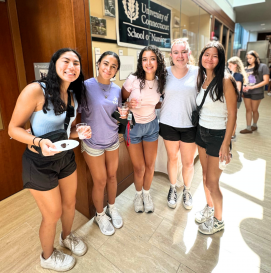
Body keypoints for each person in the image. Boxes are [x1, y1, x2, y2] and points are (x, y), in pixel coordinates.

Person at [8, 48, 91, 271]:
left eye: (76, 63)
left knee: (70, 203)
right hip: (38, 162)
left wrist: (79, 134)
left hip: (65, 158)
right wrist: (38, 141)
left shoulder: (72, 94)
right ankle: (47, 256)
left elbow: (65, 133)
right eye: (66, 61)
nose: (71, 66)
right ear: (54, 64)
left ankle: (66, 236)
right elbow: (13, 129)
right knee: (52, 213)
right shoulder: (36, 90)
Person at [194, 41, 238, 235]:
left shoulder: (225, 80)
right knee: (204, 177)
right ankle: (209, 207)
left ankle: (218, 220)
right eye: (206, 54)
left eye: (214, 55)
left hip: (218, 136)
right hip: (201, 133)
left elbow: (232, 114)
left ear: (220, 59)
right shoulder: (203, 78)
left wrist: (226, 144)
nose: (209, 59)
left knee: (213, 182)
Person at [78, 51, 123, 236]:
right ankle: (100, 214)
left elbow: (117, 116)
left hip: (112, 140)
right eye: (105, 64)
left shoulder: (117, 90)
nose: (108, 69)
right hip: (92, 142)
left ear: (116, 71)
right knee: (100, 180)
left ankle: (112, 208)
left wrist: (124, 116)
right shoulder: (85, 87)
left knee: (112, 177)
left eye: (113, 66)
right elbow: (76, 114)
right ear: (98, 64)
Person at [122, 45, 167, 213]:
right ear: (141, 62)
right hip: (133, 127)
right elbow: (121, 100)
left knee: (150, 166)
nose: (148, 63)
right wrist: (128, 104)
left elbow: (159, 101)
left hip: (151, 126)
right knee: (139, 167)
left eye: (152, 58)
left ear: (158, 61)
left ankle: (146, 194)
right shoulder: (132, 79)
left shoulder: (161, 81)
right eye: (145, 59)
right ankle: (138, 194)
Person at [159, 38, 198, 210]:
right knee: (173, 158)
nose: (180, 56)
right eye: (176, 52)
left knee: (188, 162)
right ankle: (173, 188)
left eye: (183, 52)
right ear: (171, 55)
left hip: (190, 125)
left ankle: (187, 190)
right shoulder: (164, 73)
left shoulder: (198, 72)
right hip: (168, 123)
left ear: (189, 53)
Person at [240, 50, 269, 134]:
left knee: (254, 109)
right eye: (247, 58)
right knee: (248, 109)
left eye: (250, 58)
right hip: (247, 92)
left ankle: (254, 125)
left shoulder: (263, 66)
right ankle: (248, 128)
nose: (249, 60)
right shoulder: (245, 68)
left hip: (257, 92)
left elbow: (266, 81)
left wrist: (252, 87)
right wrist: (243, 88)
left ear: (256, 58)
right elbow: (244, 81)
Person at [227, 56, 248, 140]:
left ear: (235, 65)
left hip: (235, 99)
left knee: (233, 117)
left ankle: (232, 134)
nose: (228, 66)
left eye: (230, 65)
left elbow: (238, 89)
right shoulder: (233, 74)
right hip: (232, 99)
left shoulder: (238, 75)